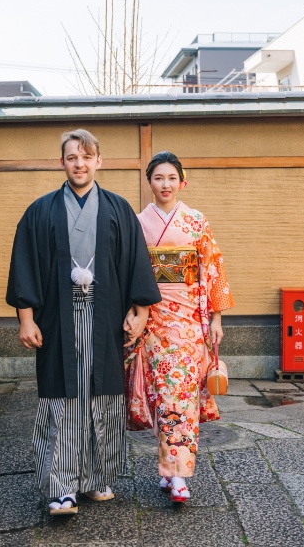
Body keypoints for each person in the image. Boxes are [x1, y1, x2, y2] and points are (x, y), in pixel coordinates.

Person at [6, 129, 161, 515]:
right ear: (62, 162)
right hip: (58, 318)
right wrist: (26, 319)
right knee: (63, 396)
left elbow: (136, 263)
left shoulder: (117, 208)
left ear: (98, 162)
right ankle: (62, 486)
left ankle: (95, 478)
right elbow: (24, 266)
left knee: (104, 395)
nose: (80, 164)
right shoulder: (40, 211)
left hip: (105, 316)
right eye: (72, 157)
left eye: (87, 157)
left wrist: (140, 312)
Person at [129, 150, 234, 504]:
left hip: (190, 321)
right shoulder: (137, 222)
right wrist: (134, 312)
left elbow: (213, 268)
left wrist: (216, 318)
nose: (165, 184)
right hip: (154, 319)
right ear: (149, 183)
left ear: (182, 181)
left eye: (172, 178)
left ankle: (178, 475)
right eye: (158, 178)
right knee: (163, 397)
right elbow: (129, 271)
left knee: (183, 397)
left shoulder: (196, 220)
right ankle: (170, 467)